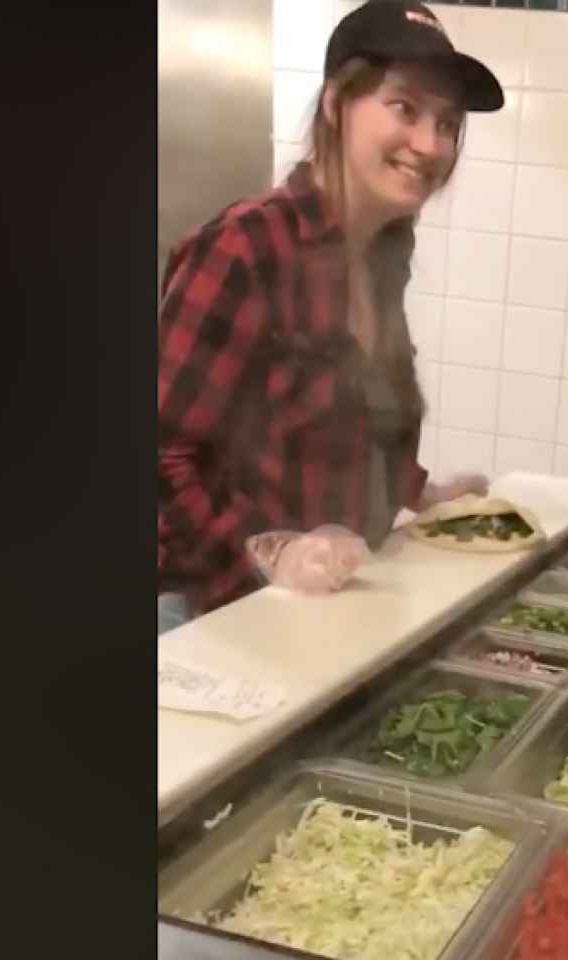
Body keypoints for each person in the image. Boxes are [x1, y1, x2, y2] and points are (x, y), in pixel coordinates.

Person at [156, 1, 503, 634]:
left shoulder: (384, 255)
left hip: (316, 618)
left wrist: (418, 493)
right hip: (210, 621)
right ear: (338, 103)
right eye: (405, 109)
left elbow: (351, 426)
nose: (431, 144)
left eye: (448, 123)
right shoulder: (246, 245)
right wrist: (266, 556)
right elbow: (160, 452)